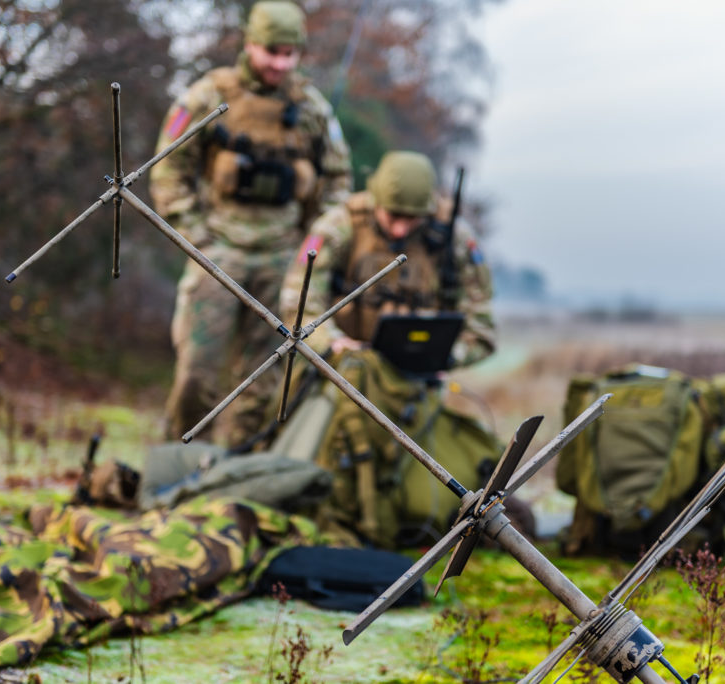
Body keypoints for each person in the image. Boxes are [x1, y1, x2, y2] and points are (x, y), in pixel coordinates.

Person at [150, 0, 352, 445]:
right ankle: (178, 469)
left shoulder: (312, 109)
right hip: (217, 250)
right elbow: (167, 169)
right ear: (250, 44)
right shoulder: (207, 95)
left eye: (290, 54)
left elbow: (338, 183)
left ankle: (237, 474)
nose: (280, 63)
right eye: (271, 52)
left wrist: (313, 248)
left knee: (262, 384)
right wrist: (196, 235)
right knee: (195, 375)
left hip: (283, 257)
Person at [276, 150, 499, 547]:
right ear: (375, 200)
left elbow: (482, 327)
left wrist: (447, 357)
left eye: (410, 219)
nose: (399, 229)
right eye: (391, 216)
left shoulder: (452, 239)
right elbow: (297, 304)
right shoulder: (340, 225)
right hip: (340, 378)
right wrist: (334, 343)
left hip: (420, 389)